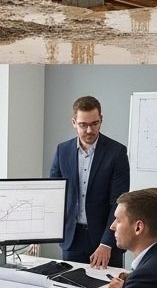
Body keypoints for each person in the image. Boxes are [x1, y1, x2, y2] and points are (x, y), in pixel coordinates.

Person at [49, 95, 130, 269]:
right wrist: (40, 235)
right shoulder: (62, 151)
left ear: (101, 120)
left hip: (106, 240)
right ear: (74, 122)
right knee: (68, 285)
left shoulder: (117, 153)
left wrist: (107, 243)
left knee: (108, 285)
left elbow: (118, 202)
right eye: (83, 125)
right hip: (72, 239)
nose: (89, 130)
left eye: (94, 124)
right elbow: (54, 195)